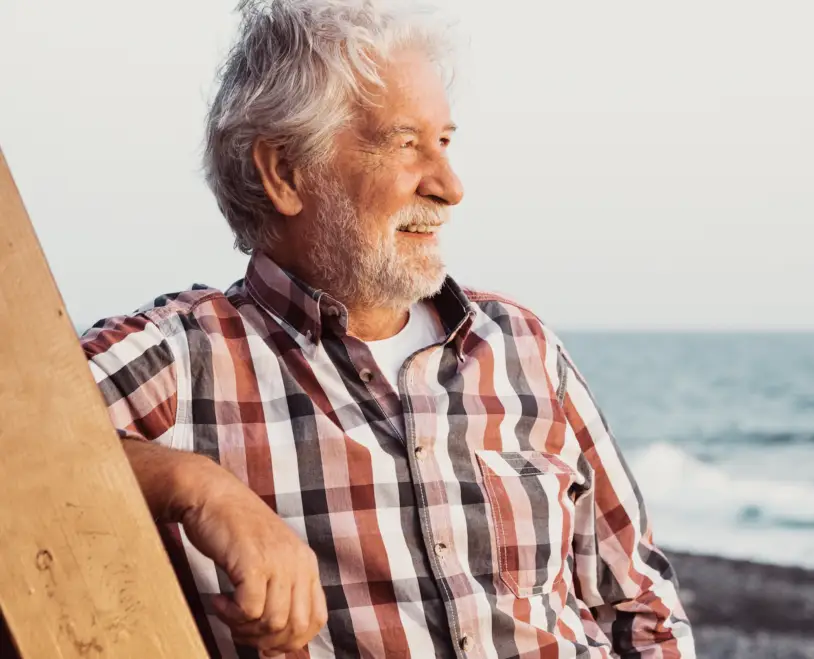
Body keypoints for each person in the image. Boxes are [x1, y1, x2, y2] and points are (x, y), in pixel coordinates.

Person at [80, 1, 696, 657]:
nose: (450, 186)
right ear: (285, 172)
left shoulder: (523, 346)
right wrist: (197, 486)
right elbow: (19, 427)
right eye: (405, 144)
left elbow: (641, 608)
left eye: (445, 142)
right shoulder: (186, 356)